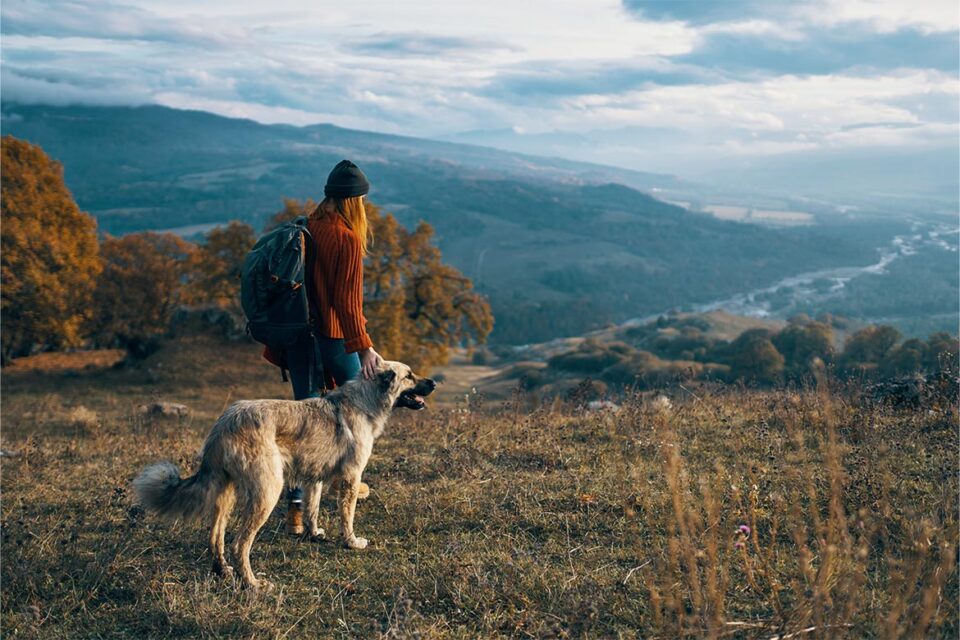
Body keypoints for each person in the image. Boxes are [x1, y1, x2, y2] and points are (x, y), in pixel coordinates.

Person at [262, 159, 384, 534]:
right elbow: (347, 304)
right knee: (357, 415)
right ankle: (348, 475)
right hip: (332, 339)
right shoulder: (346, 238)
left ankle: (296, 514)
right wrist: (363, 347)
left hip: (299, 338)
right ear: (353, 202)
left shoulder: (307, 228)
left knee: (301, 427)